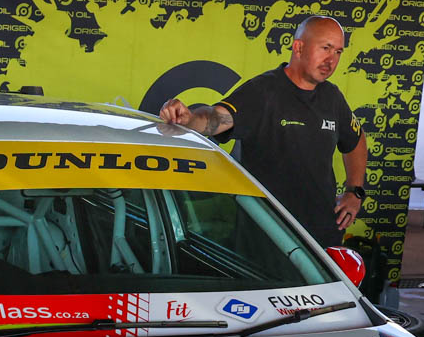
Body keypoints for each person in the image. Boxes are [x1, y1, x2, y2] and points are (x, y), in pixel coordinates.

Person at [157, 15, 366, 248]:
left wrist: (354, 191)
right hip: (267, 239)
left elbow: (356, 140)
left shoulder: (332, 97)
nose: (331, 60)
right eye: (325, 48)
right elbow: (216, 119)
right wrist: (189, 119)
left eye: (338, 51)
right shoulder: (263, 91)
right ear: (298, 47)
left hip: (321, 238)